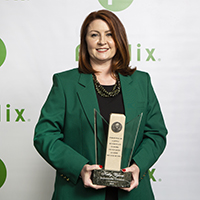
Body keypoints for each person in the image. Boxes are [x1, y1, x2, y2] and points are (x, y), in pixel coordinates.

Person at [34, 9, 167, 200]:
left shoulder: (141, 82)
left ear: (119, 39)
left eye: (109, 34)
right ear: (85, 41)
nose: (102, 41)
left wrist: (138, 166)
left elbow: (156, 133)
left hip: (132, 193)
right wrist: (79, 167)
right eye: (94, 35)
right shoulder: (65, 83)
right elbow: (44, 135)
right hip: (80, 193)